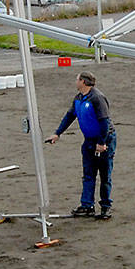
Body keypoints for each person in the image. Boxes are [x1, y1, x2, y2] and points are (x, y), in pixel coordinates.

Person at [45, 71, 115, 220]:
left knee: (104, 175)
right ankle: (87, 205)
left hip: (104, 139)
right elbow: (70, 115)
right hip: (89, 140)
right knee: (88, 174)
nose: (75, 82)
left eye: (77, 79)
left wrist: (102, 143)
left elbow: (104, 122)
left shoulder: (97, 98)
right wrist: (58, 133)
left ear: (83, 82)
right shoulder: (78, 98)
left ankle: (105, 207)